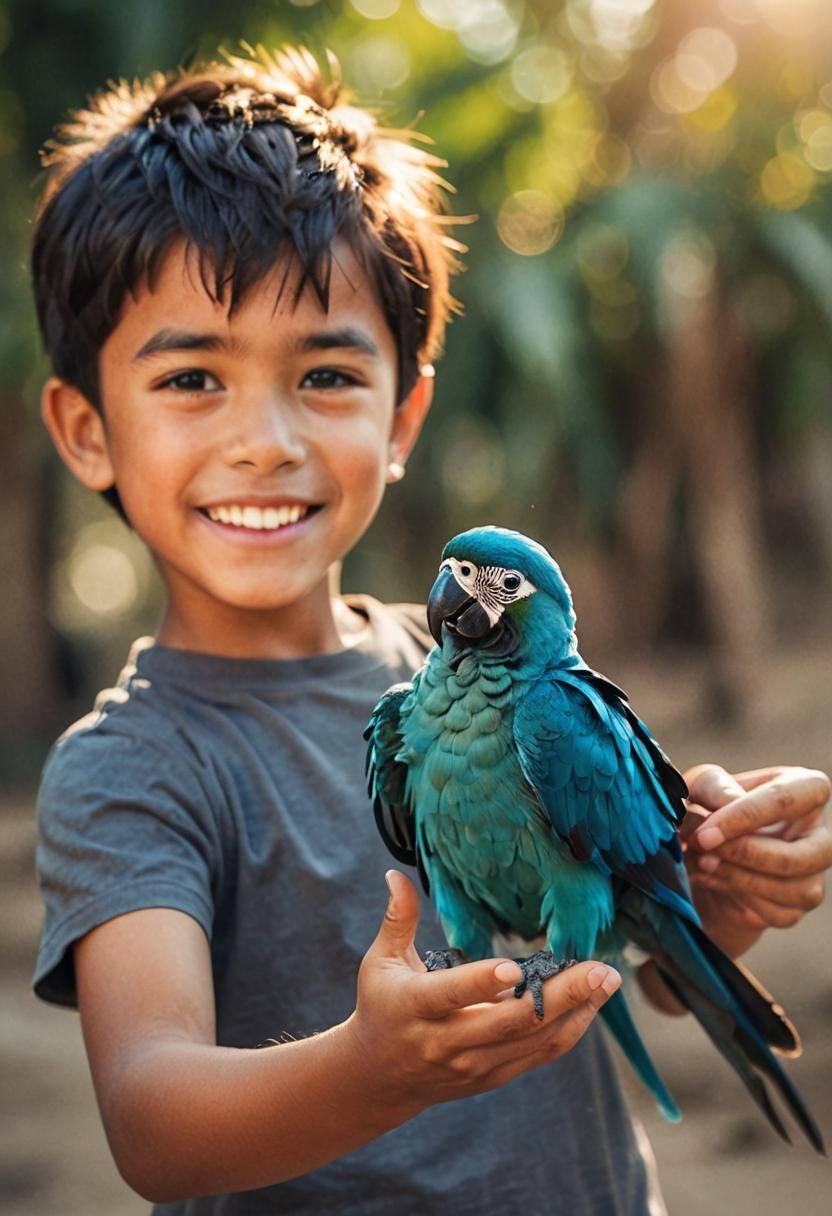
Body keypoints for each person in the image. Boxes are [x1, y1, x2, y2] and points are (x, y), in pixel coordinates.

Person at [30, 46, 832, 1216]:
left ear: (404, 414)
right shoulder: (128, 769)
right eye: (194, 378)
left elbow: (635, 970)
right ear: (87, 429)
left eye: (325, 376)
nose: (266, 441)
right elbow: (153, 1123)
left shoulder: (543, 706)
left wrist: (727, 892)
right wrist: (370, 1069)